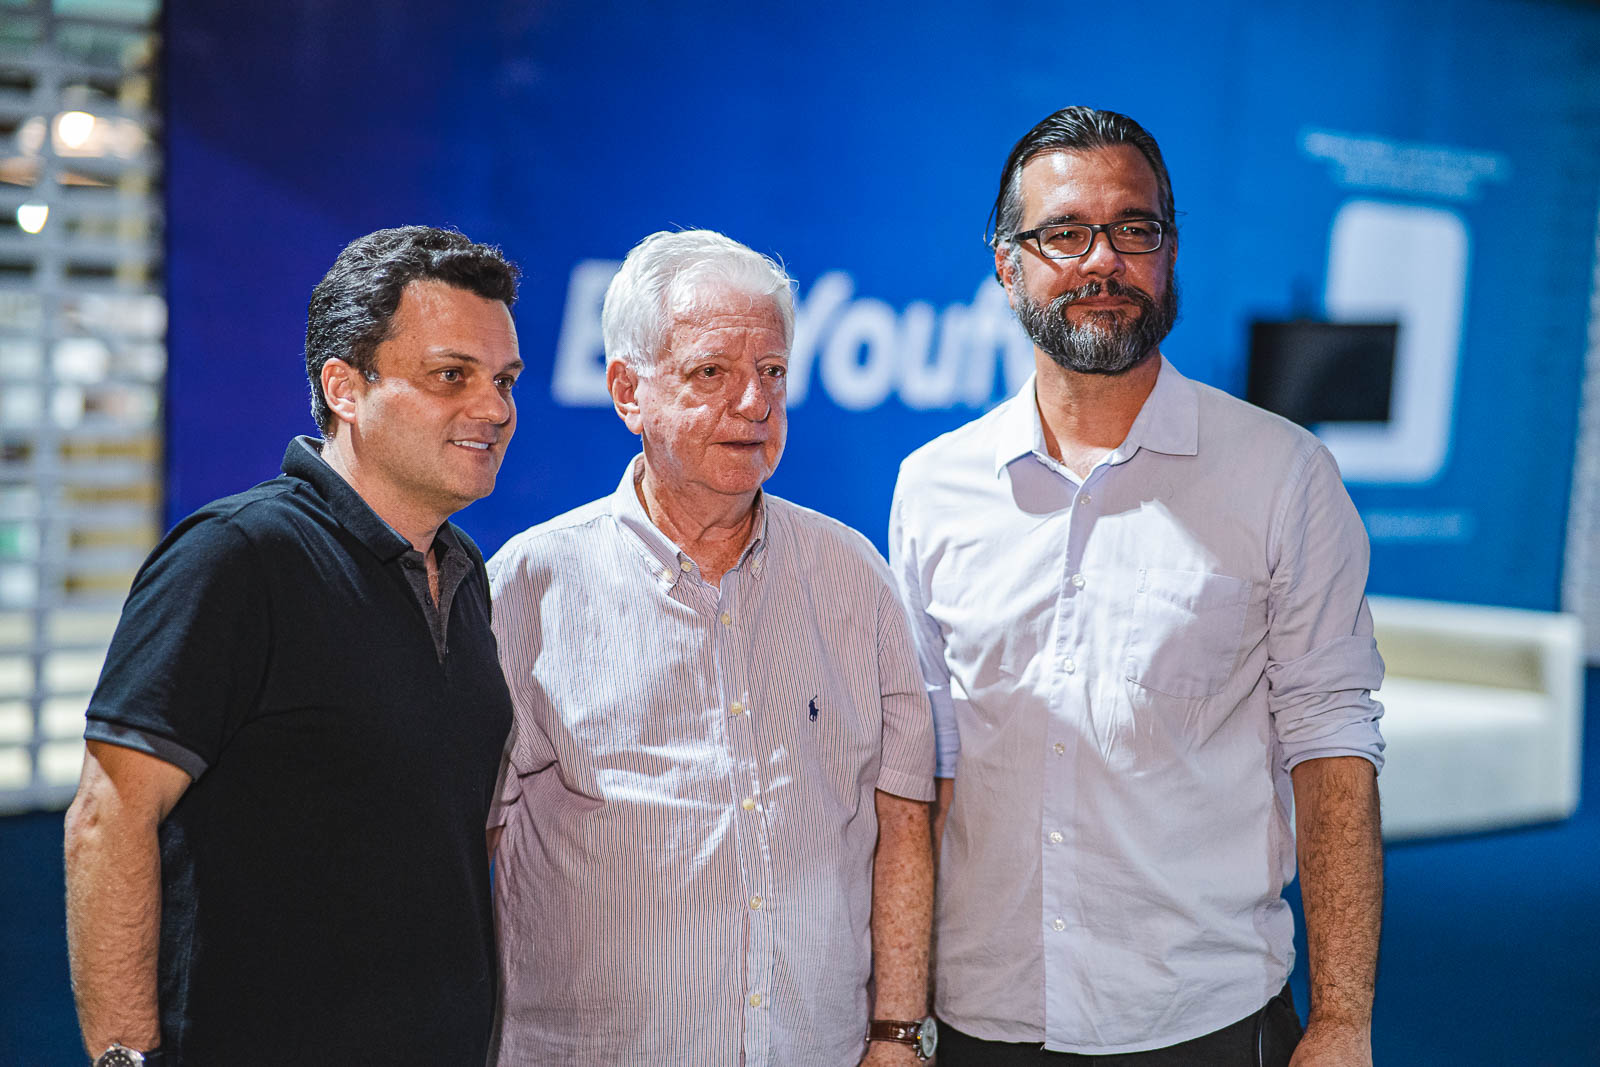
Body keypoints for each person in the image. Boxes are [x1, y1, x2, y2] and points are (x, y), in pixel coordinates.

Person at [890, 107, 1385, 1066]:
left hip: (1203, 1019)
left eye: (1134, 229)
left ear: (1171, 251)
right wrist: (898, 1021)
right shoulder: (933, 487)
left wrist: (1342, 1020)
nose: (1103, 261)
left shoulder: (1281, 475)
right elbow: (918, 777)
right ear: (1007, 266)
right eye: (1064, 234)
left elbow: (1332, 747)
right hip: (983, 1018)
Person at [63, 226, 524, 1067]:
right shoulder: (236, 555)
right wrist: (124, 1061)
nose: (494, 409)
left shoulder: (465, 575)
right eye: (451, 375)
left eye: (504, 380)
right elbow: (108, 817)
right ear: (344, 387)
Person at [488, 229, 937, 1066]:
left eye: (772, 371)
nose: (754, 402)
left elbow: (903, 820)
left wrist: (898, 1034)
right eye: (711, 373)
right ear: (628, 392)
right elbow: (462, 843)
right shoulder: (527, 587)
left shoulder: (854, 577)